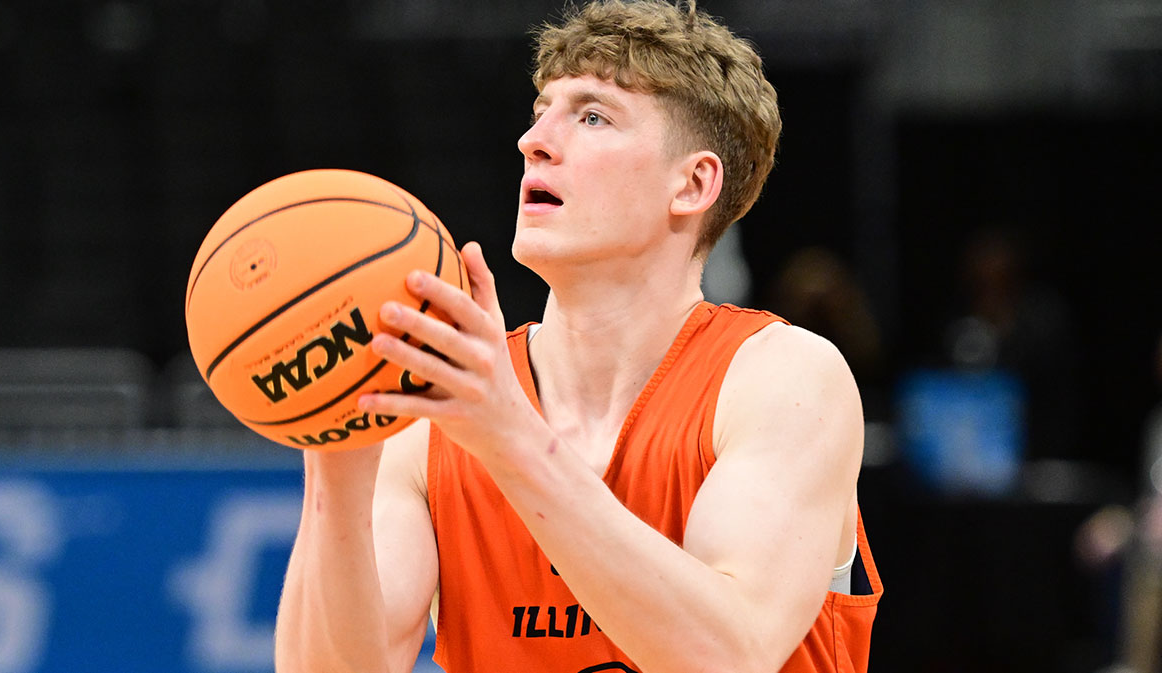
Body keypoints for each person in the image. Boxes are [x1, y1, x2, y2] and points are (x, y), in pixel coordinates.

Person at [275, 2, 881, 672]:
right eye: (541, 110)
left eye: (592, 116)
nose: (533, 140)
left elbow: (728, 657)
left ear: (693, 183)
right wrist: (334, 460)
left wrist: (511, 437)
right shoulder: (435, 420)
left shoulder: (785, 380)